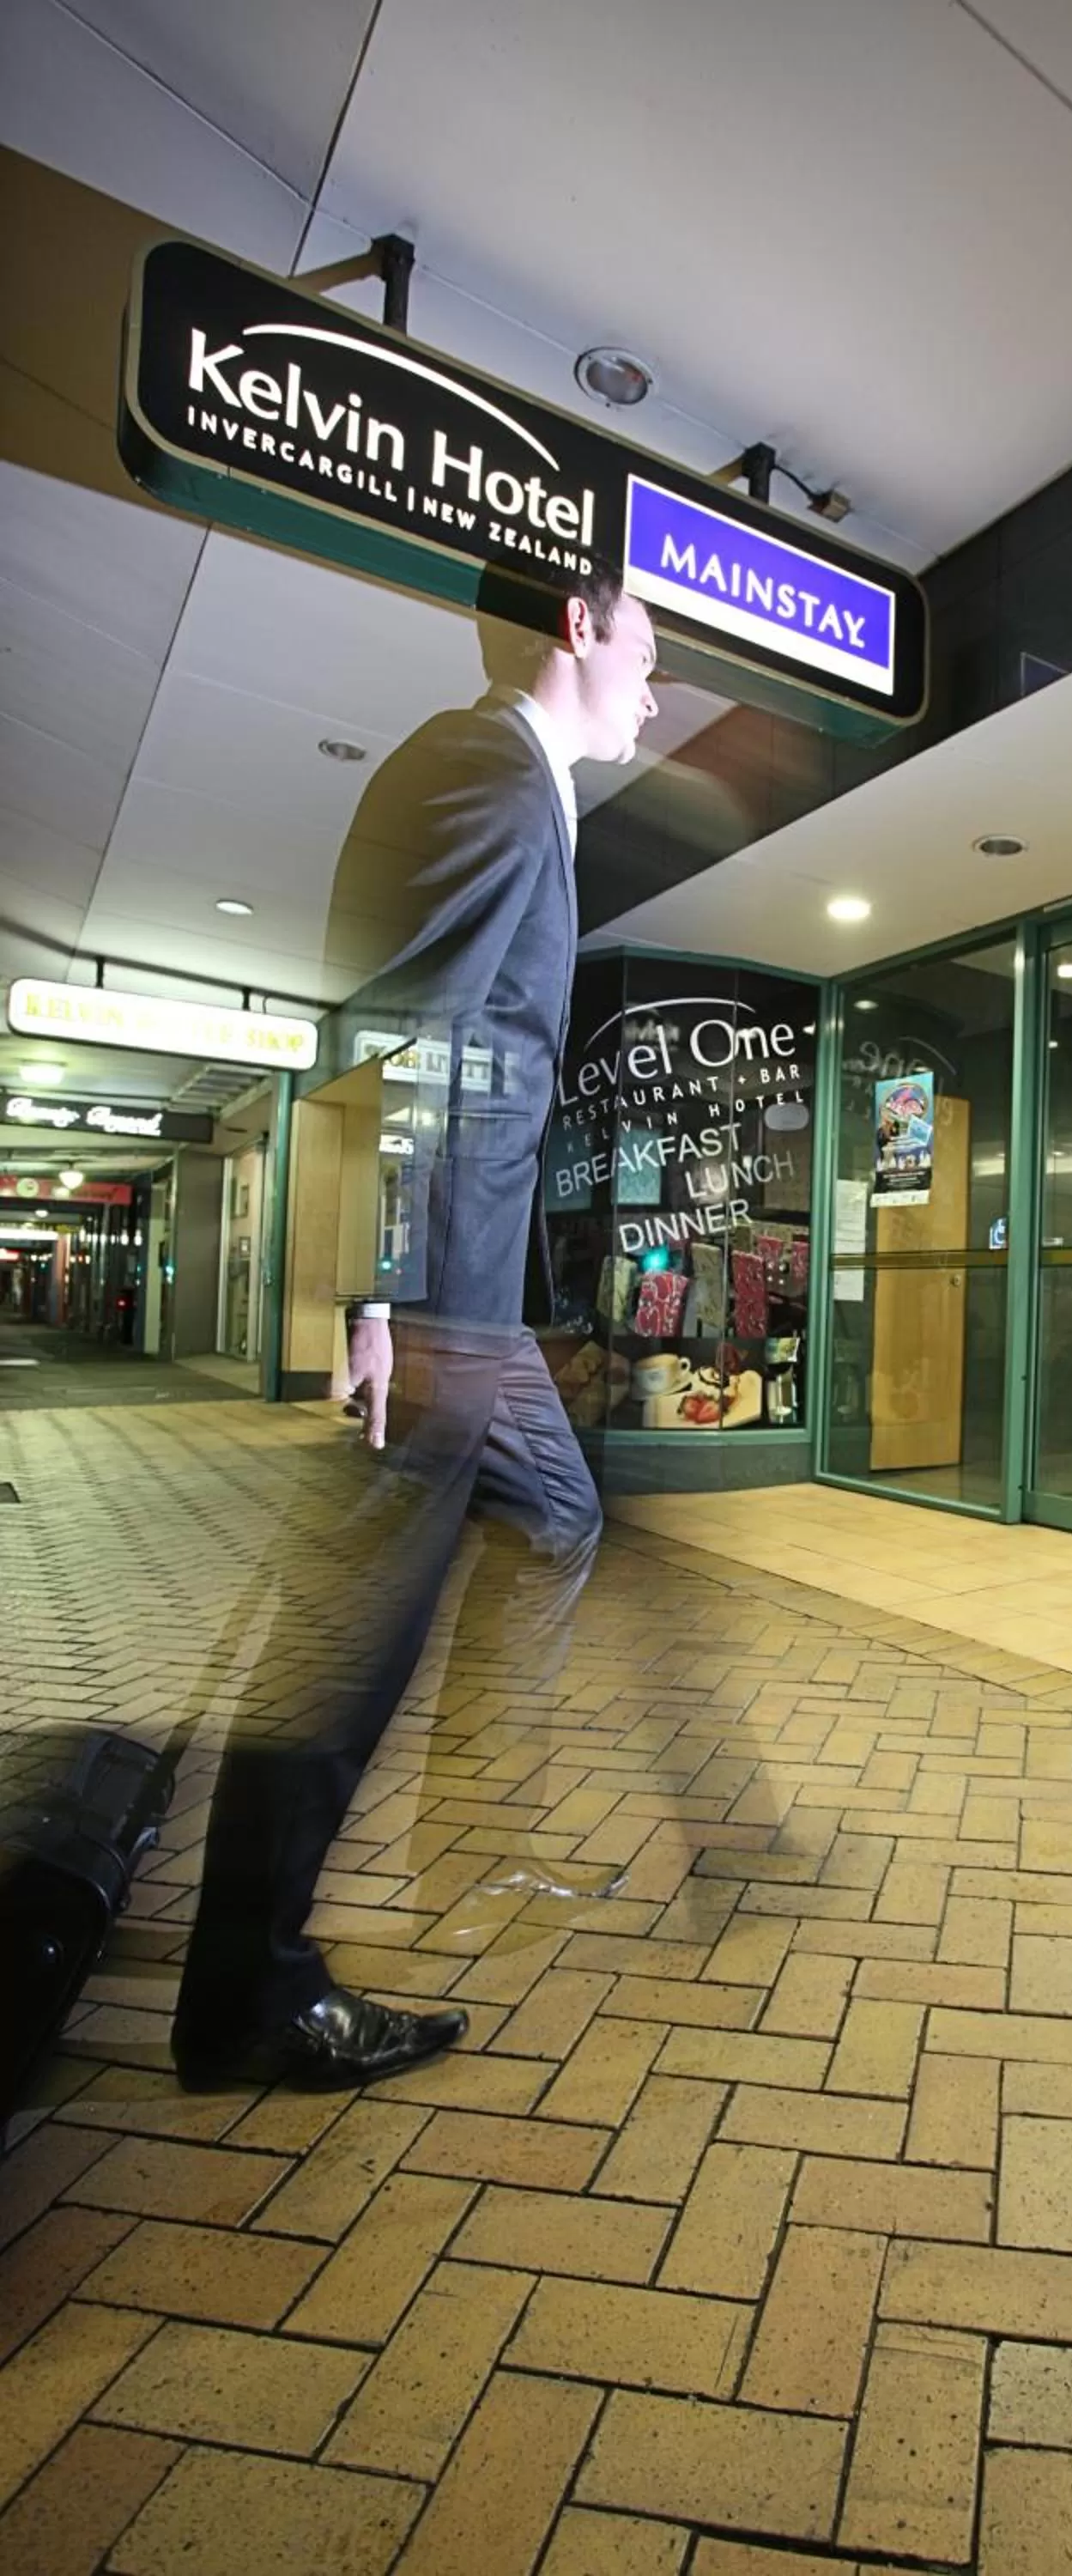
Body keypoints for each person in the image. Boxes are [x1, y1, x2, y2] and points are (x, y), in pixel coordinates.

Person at [171, 562, 658, 2090]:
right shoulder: (485, 770)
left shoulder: (529, 788)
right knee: (344, 1649)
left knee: (558, 1518)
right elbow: (402, 1027)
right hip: (434, 1299)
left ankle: (476, 1832)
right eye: (650, 651)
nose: (659, 691)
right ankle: (247, 1997)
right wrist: (372, 1292)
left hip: (473, 1299)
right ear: (579, 625)